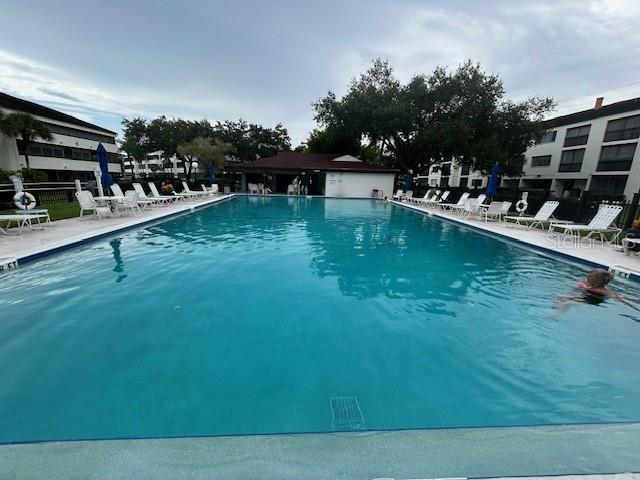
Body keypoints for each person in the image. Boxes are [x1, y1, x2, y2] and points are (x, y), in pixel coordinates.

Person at [552, 268, 639, 315]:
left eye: (591, 279)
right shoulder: (588, 283)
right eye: (589, 277)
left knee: (568, 302)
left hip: (595, 300)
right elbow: (576, 282)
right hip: (585, 294)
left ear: (599, 282)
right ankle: (556, 310)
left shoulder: (605, 291)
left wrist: (635, 310)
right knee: (561, 297)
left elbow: (619, 299)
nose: (588, 279)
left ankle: (556, 314)